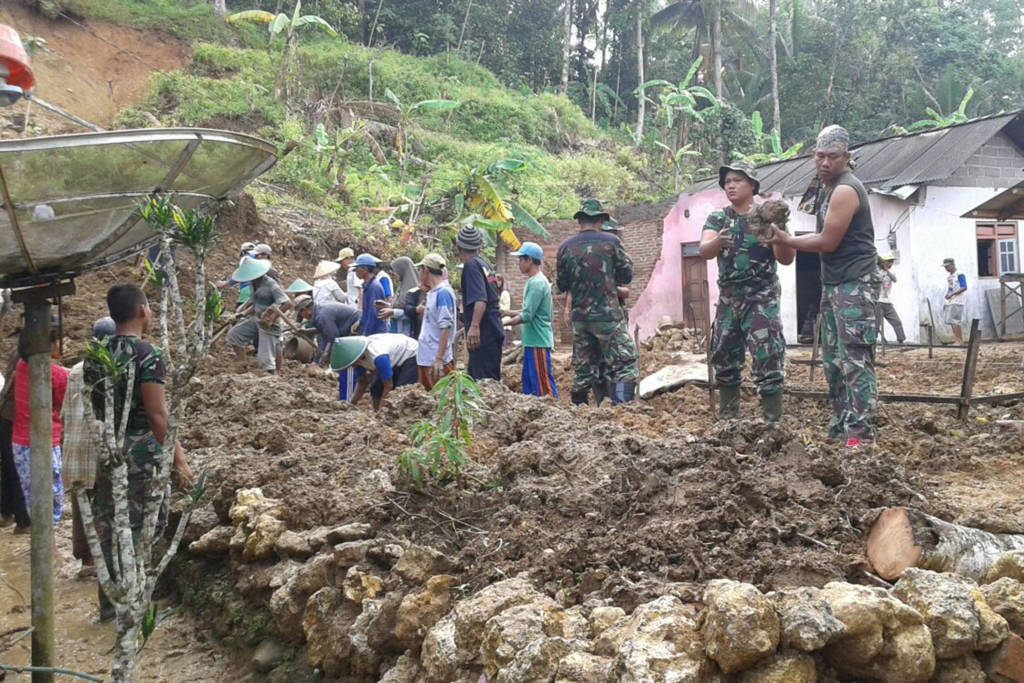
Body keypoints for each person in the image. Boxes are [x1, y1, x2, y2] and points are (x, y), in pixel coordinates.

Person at [85, 284, 192, 621]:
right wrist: (180, 459)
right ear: (143, 311)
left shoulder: (96, 356)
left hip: (108, 449)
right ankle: (132, 608)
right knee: (141, 525)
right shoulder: (147, 354)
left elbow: (97, 408)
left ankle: (109, 605)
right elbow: (157, 414)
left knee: (108, 521)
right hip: (140, 452)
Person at [769, 125, 880, 446]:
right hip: (834, 285)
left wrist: (787, 239)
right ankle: (842, 427)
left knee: (855, 360)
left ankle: (860, 436)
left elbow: (829, 241)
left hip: (855, 284)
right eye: (820, 156)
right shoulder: (823, 187)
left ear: (846, 158)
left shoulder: (846, 190)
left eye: (833, 157)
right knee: (833, 361)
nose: (825, 162)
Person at [699, 162, 794, 422]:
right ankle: (729, 422)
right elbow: (704, 250)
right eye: (727, 181)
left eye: (737, 180)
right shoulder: (719, 218)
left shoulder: (767, 216)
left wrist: (778, 235)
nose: (730, 185)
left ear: (752, 185)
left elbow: (786, 259)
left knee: (768, 354)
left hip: (761, 297)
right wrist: (718, 241)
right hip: (730, 298)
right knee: (725, 356)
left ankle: (772, 422)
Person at [557, 199, 638, 405]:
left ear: (580, 220)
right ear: (601, 220)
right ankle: (622, 410)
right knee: (624, 363)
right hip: (608, 315)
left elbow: (562, 284)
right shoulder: (611, 242)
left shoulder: (565, 248)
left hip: (581, 319)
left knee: (584, 369)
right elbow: (627, 275)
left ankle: (578, 414)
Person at [61, 316, 115, 575]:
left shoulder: (75, 370)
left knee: (80, 502)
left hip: (73, 444)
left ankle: (86, 560)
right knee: (101, 504)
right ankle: (102, 560)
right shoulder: (111, 369)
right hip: (96, 446)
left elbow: (65, 413)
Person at [11, 317, 68, 528]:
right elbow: (63, 404)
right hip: (45, 442)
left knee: (33, 496)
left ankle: (44, 543)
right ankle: (49, 545)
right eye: (60, 340)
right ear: (50, 343)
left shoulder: (21, 364)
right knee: (52, 495)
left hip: (20, 442)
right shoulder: (57, 374)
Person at [503, 242, 558, 398]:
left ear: (529, 260)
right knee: (529, 385)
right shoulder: (533, 281)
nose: (519, 263)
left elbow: (527, 316)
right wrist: (506, 312)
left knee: (543, 386)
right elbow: (528, 310)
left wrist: (503, 323)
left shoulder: (537, 283)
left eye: (521, 259)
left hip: (538, 342)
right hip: (531, 342)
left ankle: (554, 415)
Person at [226, 256, 293, 373]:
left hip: (269, 323)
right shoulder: (253, 284)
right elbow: (256, 304)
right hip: (256, 318)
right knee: (234, 335)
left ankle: (271, 377)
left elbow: (287, 303)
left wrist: (271, 318)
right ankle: (242, 367)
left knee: (265, 359)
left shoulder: (271, 284)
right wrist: (241, 314)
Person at [455, 226, 504, 381]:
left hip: (484, 333)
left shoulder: (470, 266)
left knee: (483, 382)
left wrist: (474, 326)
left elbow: (481, 299)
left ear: (458, 247)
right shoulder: (484, 264)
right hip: (493, 328)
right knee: (488, 380)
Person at [331, 334, 419, 411]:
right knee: (375, 389)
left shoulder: (378, 356)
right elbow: (362, 382)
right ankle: (377, 411)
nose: (350, 367)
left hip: (410, 353)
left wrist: (381, 413)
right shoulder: (357, 358)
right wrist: (351, 405)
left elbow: (388, 385)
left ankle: (393, 419)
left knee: (401, 391)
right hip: (392, 358)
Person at [414, 254, 457, 390]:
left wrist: (438, 358)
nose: (419, 274)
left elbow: (446, 327)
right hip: (427, 355)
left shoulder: (442, 293)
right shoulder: (434, 292)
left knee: (440, 399)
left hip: (435, 358)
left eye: (420, 270)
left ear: (426, 270)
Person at [0, 347, 28, 531]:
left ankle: (7, 512)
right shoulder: (30, 357)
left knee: (10, 466)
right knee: (18, 467)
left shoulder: (19, 352)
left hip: (7, 416)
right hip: (16, 418)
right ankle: (22, 518)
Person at [294, 294, 360, 365]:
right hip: (348, 326)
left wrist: (326, 354)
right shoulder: (318, 310)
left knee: (354, 359)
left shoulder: (322, 316)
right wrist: (307, 332)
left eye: (300, 313)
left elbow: (334, 338)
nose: (302, 316)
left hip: (357, 327)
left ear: (305, 310)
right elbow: (325, 330)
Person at [381, 257, 420, 337]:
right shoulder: (401, 287)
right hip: (396, 329)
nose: (393, 273)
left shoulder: (414, 290)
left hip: (407, 333)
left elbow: (413, 313)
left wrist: (393, 312)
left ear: (402, 270)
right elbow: (399, 305)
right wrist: (387, 306)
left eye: (395, 271)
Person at [354, 253, 391, 336]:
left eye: (357, 268)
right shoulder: (367, 286)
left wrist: (365, 334)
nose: (355, 271)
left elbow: (373, 314)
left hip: (376, 333)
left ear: (365, 269)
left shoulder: (374, 287)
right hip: (371, 330)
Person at [215, 241, 257, 310]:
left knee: (239, 314)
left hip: (247, 290)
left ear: (243, 252)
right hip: (261, 291)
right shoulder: (260, 260)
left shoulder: (246, 259)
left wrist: (225, 283)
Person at [876, 254, 905, 344]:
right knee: (876, 324)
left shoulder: (891, 272)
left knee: (897, 322)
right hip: (878, 302)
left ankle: (901, 340)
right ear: (883, 263)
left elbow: (894, 279)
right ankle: (873, 341)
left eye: (892, 262)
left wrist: (886, 270)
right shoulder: (877, 272)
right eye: (889, 262)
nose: (891, 263)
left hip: (888, 302)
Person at [942, 257, 967, 345]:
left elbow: (964, 287)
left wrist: (952, 294)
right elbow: (950, 288)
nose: (946, 269)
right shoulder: (949, 277)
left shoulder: (960, 274)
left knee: (955, 321)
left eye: (947, 267)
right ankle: (957, 339)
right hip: (952, 301)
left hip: (958, 301)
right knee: (952, 321)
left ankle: (959, 340)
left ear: (952, 265)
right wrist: (948, 294)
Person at [496, 274, 512, 348]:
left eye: (499, 281)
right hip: (495, 321)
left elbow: (506, 308)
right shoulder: (493, 293)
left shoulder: (505, 293)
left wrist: (498, 306)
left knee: (505, 345)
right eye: (496, 281)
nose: (498, 283)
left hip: (504, 321)